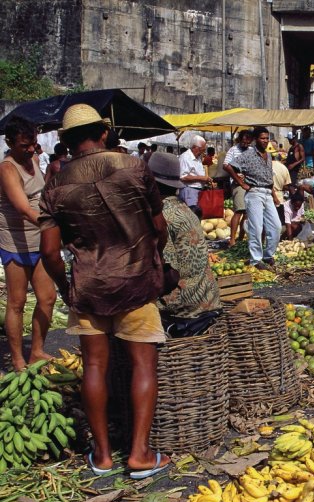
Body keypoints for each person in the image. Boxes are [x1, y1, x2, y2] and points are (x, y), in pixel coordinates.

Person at [38, 103, 169, 478]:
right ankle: (140, 455)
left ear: (66, 140)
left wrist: (66, 287)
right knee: (144, 364)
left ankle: (103, 455)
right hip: (135, 281)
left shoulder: (56, 184)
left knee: (94, 366)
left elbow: (50, 251)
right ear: (103, 132)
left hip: (89, 284)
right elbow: (159, 227)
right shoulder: (133, 167)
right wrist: (152, 258)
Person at [0, 116, 56, 371]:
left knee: (47, 298)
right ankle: (17, 358)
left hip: (39, 239)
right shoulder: (7, 168)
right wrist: (55, 227)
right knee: (17, 301)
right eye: (25, 145)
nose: (31, 149)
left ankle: (36, 350)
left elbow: (42, 196)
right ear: (10, 142)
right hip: (15, 241)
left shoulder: (34, 160)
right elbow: (23, 209)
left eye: (33, 143)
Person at [148, 152, 221, 324]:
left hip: (186, 306)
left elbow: (169, 274)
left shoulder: (162, 217)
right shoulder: (185, 209)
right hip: (208, 297)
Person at [231, 127, 281, 270]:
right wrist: (241, 183)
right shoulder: (248, 154)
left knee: (276, 227)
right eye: (262, 138)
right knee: (256, 228)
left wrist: (274, 195)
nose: (265, 141)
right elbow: (229, 166)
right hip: (254, 193)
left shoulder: (269, 155)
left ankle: (268, 254)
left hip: (267, 193)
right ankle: (255, 259)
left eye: (267, 138)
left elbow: (268, 178)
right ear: (256, 139)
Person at [223, 130, 253, 246]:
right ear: (240, 139)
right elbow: (226, 166)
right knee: (239, 210)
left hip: (249, 183)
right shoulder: (233, 150)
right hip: (238, 184)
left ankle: (240, 238)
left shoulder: (251, 151)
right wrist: (239, 179)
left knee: (246, 213)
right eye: (244, 141)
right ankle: (232, 239)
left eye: (248, 141)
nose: (246, 143)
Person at [179, 135, 212, 216]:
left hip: (197, 190)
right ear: (195, 147)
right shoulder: (185, 157)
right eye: (202, 149)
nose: (203, 152)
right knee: (192, 216)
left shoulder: (198, 157)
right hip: (189, 190)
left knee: (197, 215)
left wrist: (206, 179)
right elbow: (183, 177)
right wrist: (201, 178)